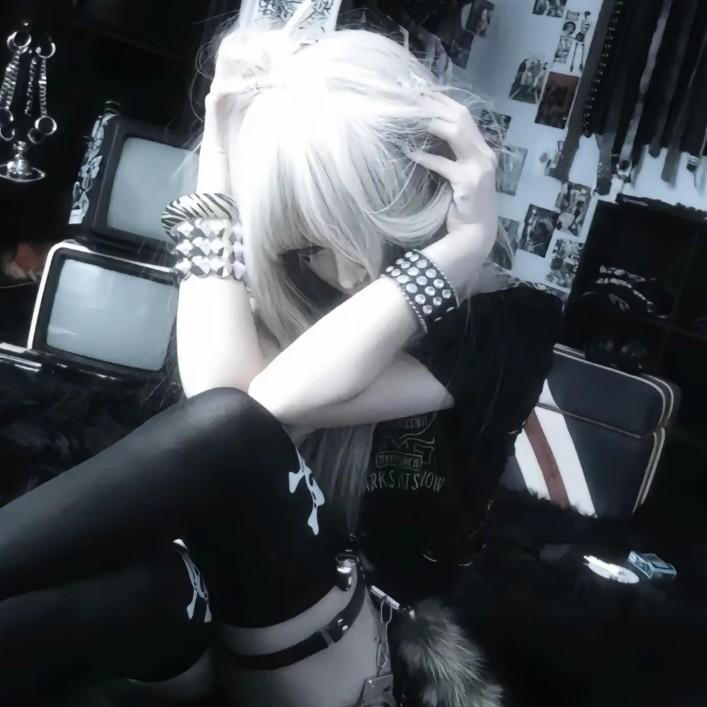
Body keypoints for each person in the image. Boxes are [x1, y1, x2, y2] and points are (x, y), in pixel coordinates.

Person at [0, 2, 561, 706]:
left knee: (231, 433)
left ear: (435, 198)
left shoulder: (510, 318)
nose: (351, 274)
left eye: (382, 239)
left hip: (369, 641)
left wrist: (463, 248)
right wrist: (219, 150)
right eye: (312, 242)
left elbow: (251, 414)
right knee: (131, 594)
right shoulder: (282, 275)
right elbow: (220, 394)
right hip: (212, 601)